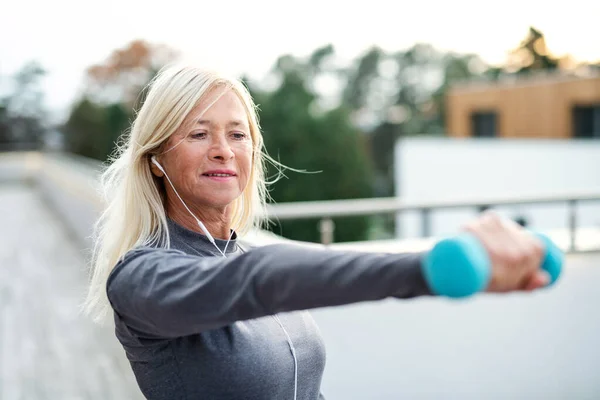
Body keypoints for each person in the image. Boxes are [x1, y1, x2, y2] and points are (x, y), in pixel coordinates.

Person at [83, 63, 551, 400]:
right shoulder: (141, 277)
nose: (224, 150)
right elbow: (263, 278)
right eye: (199, 134)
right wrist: (426, 269)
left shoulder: (239, 253)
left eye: (237, 134)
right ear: (157, 159)